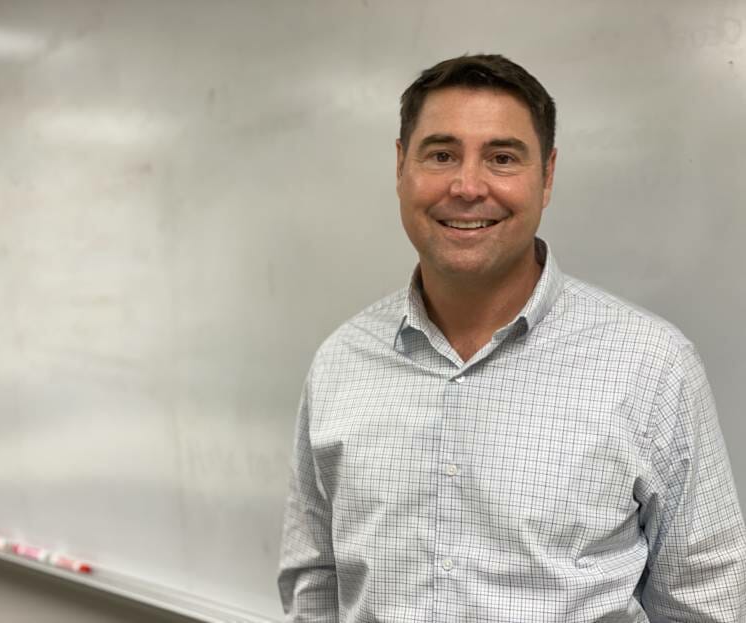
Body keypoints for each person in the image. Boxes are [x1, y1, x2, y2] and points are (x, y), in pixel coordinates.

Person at [277, 54, 746, 622]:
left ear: (546, 177)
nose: (468, 186)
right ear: (402, 167)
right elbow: (315, 584)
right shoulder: (341, 363)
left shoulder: (653, 365)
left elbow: (706, 599)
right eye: (441, 154)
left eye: (502, 158)